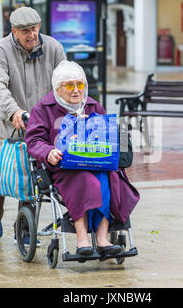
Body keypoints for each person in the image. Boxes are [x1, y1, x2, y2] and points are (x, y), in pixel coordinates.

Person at [25, 61, 140, 255]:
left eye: (80, 85)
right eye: (69, 85)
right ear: (57, 89)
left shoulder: (93, 106)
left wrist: (97, 128)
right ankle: (82, 238)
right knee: (84, 178)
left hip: (98, 163)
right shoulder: (43, 108)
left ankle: (102, 238)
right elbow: (34, 140)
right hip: (64, 167)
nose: (76, 90)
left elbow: (112, 137)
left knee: (111, 177)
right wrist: (48, 152)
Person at [0, 7, 66, 240]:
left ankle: (25, 230)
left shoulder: (54, 48)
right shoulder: (1, 49)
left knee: (31, 181)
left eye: (35, 29)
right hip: (6, 124)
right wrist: (14, 111)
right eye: (26, 31)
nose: (32, 35)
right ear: (14, 32)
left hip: (39, 127)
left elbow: (63, 81)